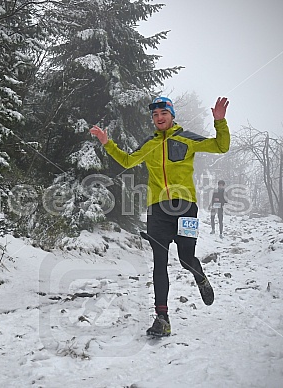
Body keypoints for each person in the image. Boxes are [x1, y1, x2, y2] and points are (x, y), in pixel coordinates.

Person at [90, 96, 230, 337]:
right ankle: (162, 318)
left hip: (185, 207)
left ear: (172, 115)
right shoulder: (149, 144)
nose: (159, 118)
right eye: (155, 115)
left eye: (163, 113)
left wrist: (220, 122)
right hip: (158, 210)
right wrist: (107, 143)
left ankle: (200, 276)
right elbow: (126, 160)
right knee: (159, 263)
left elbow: (221, 146)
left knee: (186, 259)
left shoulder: (187, 139)